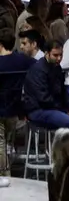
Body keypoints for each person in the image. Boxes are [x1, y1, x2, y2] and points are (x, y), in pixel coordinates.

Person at [0, 29, 34, 174]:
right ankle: (9, 170)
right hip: (14, 108)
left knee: (1, 144)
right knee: (8, 143)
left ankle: (5, 173)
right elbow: (40, 64)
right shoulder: (22, 61)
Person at [23, 41, 69, 130]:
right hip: (38, 110)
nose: (59, 58)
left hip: (53, 107)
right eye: (55, 55)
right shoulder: (38, 70)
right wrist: (64, 110)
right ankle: (65, 143)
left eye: (61, 55)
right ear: (46, 53)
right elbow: (43, 99)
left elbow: (63, 91)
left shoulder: (56, 67)